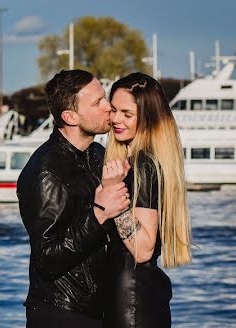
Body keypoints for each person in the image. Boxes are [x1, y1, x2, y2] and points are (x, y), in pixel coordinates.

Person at [17, 69, 130, 327]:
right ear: (70, 117)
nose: (108, 107)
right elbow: (47, 259)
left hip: (99, 308)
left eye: (105, 97)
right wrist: (100, 213)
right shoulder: (45, 172)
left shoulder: (97, 154)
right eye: (97, 102)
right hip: (62, 312)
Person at [102, 73, 193, 328]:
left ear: (147, 118)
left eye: (127, 114)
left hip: (130, 302)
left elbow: (142, 249)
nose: (116, 119)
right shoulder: (140, 160)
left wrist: (113, 192)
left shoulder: (144, 164)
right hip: (137, 296)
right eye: (113, 110)